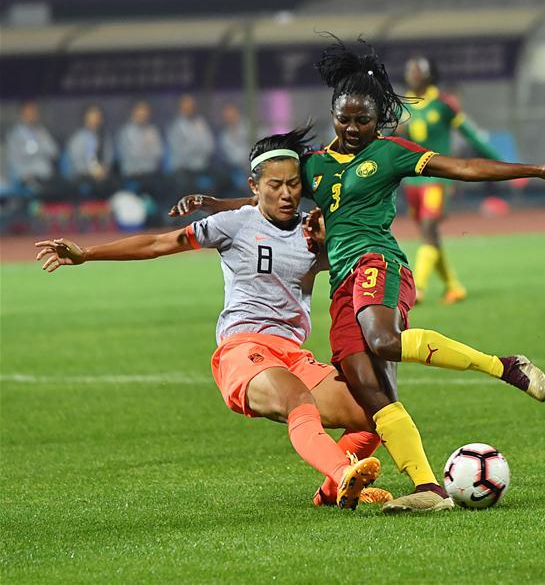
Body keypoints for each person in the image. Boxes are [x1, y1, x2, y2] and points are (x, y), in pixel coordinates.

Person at [184, 37, 545, 513]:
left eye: (362, 119)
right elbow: (269, 195)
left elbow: (464, 166)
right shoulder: (314, 167)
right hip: (341, 284)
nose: (351, 128)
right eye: (344, 118)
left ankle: (504, 365)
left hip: (379, 263)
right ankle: (430, 489)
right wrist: (214, 204)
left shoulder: (390, 154)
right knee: (373, 396)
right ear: (333, 113)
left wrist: (539, 169)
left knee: (384, 339)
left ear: (379, 118)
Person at [35, 127, 390, 511]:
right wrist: (88, 253)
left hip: (292, 352)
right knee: (296, 399)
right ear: (254, 186)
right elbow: (159, 243)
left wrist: (339, 247)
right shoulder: (234, 223)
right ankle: (342, 473)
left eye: (292, 184)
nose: (286, 193)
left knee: (375, 414)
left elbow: (361, 251)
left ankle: (330, 491)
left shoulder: (313, 230)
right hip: (244, 350)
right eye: (275, 185)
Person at [400, 56, 507, 304]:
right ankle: (453, 286)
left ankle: (418, 289)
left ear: (429, 75)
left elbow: (470, 134)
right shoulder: (400, 107)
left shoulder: (443, 103)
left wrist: (502, 162)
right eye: (410, 69)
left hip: (437, 178)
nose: (414, 73)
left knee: (428, 227)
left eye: (419, 69)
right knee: (431, 236)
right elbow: (387, 138)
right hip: (411, 180)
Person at [117, 100, 165, 220]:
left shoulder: (153, 131)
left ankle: (161, 219)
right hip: (133, 173)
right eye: (140, 111)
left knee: (166, 184)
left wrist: (146, 157)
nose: (143, 114)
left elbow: (158, 153)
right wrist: (145, 155)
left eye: (145, 111)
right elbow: (131, 155)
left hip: (151, 172)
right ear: (133, 112)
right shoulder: (126, 132)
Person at [5, 100, 60, 201]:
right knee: (40, 191)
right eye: (28, 113)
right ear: (22, 114)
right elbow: (13, 161)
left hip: (46, 175)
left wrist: (39, 149)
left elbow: (54, 152)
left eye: (34, 112)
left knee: (62, 187)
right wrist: (23, 175)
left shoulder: (42, 131)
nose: (31, 115)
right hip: (27, 176)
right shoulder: (15, 135)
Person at [65, 104, 115, 200]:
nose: (94, 121)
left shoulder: (105, 137)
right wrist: (91, 172)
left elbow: (109, 158)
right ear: (85, 119)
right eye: (91, 117)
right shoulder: (78, 138)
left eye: (97, 117)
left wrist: (104, 169)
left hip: (102, 174)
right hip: (83, 174)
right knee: (94, 185)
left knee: (111, 182)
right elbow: (76, 163)